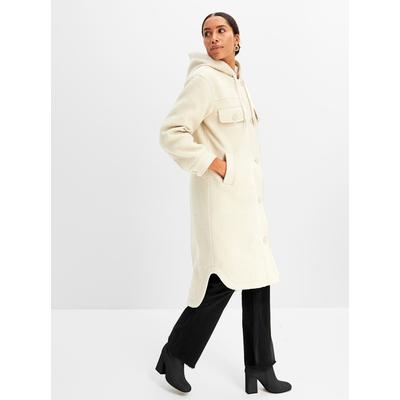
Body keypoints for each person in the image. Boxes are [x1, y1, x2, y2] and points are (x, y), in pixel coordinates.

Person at [156, 12, 292, 394]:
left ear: (237, 38)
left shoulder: (237, 81)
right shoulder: (204, 80)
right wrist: (216, 165)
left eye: (220, 31)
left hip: (247, 202)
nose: (213, 38)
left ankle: (260, 368)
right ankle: (174, 354)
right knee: (220, 280)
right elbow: (171, 132)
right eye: (207, 33)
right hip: (221, 203)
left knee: (258, 277)